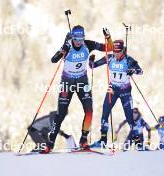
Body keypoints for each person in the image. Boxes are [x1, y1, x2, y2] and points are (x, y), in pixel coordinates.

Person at [42, 25, 113, 153]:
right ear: (73, 38)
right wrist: (62, 51)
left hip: (82, 81)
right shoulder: (67, 45)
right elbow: (54, 60)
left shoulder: (88, 44)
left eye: (81, 39)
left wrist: (108, 37)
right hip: (67, 82)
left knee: (89, 111)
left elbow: (109, 48)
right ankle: (50, 143)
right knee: (61, 114)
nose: (79, 42)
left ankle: (83, 140)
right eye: (76, 39)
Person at [90, 39, 143, 147]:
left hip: (125, 92)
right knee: (104, 113)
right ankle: (103, 140)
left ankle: (138, 142)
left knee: (129, 117)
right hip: (112, 90)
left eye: (118, 51)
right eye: (114, 51)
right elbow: (93, 66)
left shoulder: (128, 60)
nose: (116, 54)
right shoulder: (109, 58)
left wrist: (133, 70)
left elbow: (140, 71)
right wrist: (91, 60)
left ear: (123, 50)